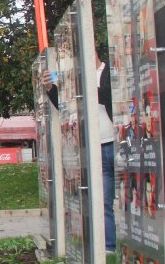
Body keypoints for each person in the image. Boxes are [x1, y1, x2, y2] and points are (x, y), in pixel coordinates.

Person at [43, 53, 116, 252]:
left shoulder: (110, 71)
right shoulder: (75, 79)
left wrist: (88, 87)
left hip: (118, 143)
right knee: (103, 200)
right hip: (97, 147)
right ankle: (109, 246)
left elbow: (111, 96)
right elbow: (64, 105)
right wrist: (51, 89)